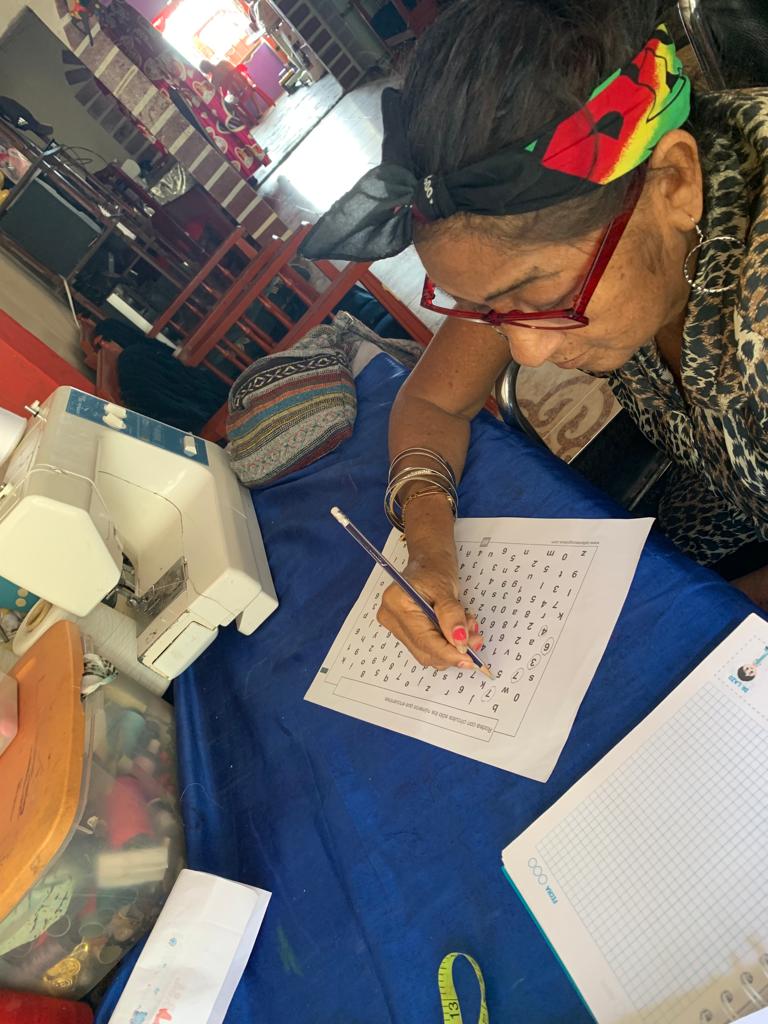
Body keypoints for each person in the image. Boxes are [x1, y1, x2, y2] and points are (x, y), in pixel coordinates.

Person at [301, 0, 768, 670]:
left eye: (541, 297)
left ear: (675, 182)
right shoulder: (569, 223)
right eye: (485, 307)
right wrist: (429, 549)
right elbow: (432, 401)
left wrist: (694, 633)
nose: (526, 350)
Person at [92, 319, 230, 435]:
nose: (104, 346)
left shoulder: (132, 358)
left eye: (106, 339)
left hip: (197, 411)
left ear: (118, 335)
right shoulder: (140, 352)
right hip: (205, 402)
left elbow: (149, 401)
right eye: (98, 346)